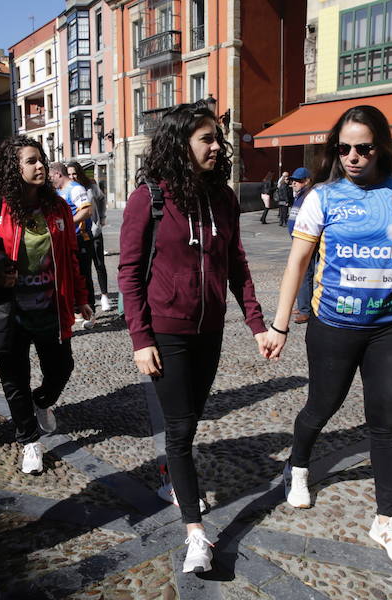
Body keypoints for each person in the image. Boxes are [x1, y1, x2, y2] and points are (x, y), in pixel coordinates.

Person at [264, 105, 392, 567]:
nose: (353, 156)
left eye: (363, 148)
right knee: (322, 406)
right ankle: (297, 467)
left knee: (386, 423)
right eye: (345, 148)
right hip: (333, 325)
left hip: (390, 327)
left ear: (381, 147)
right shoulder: (322, 197)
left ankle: (388, 521)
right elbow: (296, 263)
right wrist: (280, 325)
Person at [118, 101, 268, 574]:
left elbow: (236, 264)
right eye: (206, 138)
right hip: (167, 330)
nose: (216, 146)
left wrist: (256, 324)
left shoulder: (223, 198)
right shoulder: (150, 197)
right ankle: (196, 534)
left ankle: (170, 474)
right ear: (180, 143)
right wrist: (141, 338)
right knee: (180, 429)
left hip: (211, 330)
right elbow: (127, 272)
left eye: (217, 139)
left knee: (193, 417)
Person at [0, 138, 92, 474]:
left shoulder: (58, 209)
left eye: (42, 160)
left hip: (51, 308)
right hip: (8, 314)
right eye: (32, 161)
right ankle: (29, 442)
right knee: (14, 380)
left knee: (61, 368)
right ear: (14, 168)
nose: (41, 167)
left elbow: (70, 257)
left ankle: (42, 401)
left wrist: (81, 298)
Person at [50, 162, 95, 324]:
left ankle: (91, 312)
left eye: (51, 177)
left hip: (81, 238)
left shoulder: (75, 188)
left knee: (84, 274)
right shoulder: (59, 191)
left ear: (58, 174)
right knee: (72, 275)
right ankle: (78, 310)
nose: (50, 180)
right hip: (69, 239)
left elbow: (87, 211)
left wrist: (67, 223)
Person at [67, 160, 111, 312]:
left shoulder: (91, 187)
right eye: (69, 174)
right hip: (79, 235)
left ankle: (104, 295)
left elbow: (101, 198)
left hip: (94, 231)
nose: (72, 177)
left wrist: (102, 217)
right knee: (84, 271)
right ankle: (88, 303)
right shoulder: (68, 190)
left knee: (99, 264)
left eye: (74, 173)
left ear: (79, 173)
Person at [285, 167, 313, 325]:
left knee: (304, 275)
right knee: (302, 274)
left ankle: (305, 310)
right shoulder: (300, 196)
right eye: (293, 180)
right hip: (298, 241)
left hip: (306, 242)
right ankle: (303, 306)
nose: (294, 183)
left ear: (307, 181)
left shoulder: (308, 196)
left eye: (299, 181)